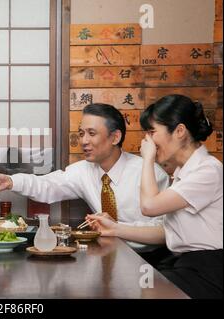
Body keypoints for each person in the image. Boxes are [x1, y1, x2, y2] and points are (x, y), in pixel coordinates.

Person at [0, 103, 171, 259]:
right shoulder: (83, 170)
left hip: (148, 259)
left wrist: (116, 229)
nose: (83, 141)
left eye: (91, 133)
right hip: (105, 253)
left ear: (115, 137)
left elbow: (165, 231)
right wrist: (10, 181)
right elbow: (48, 185)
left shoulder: (150, 173)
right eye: (81, 133)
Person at [86, 95, 223, 299]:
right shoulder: (183, 172)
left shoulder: (208, 170)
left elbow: (149, 207)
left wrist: (147, 158)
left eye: (151, 132)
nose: (147, 140)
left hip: (208, 269)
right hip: (183, 262)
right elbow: (166, 233)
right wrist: (114, 228)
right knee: (124, 285)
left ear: (179, 131)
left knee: (140, 289)